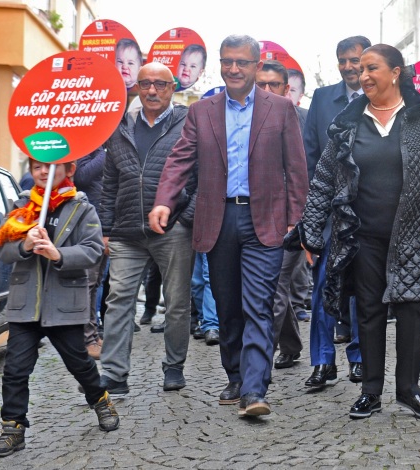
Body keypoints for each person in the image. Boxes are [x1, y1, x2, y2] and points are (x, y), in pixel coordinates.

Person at [291, 43, 420, 420]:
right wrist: (311, 233)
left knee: (412, 313)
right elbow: (323, 180)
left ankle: (409, 391)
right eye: (361, 69)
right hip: (361, 236)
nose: (363, 75)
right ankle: (370, 391)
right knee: (367, 312)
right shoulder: (347, 122)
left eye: (372, 68)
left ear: (396, 72)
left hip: (416, 236)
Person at [149, 35, 308, 417]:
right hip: (217, 220)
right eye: (227, 61)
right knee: (227, 306)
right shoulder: (202, 112)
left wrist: (298, 221)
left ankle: (255, 390)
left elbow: (296, 169)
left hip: (265, 221)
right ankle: (235, 375)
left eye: (241, 62)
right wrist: (163, 201)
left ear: (256, 66)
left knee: (259, 305)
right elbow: (179, 160)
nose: (233, 69)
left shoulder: (281, 109)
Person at [0, 159, 119, 458]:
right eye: (37, 167)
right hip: (26, 306)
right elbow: (2, 250)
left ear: (68, 170)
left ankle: (100, 399)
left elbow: (94, 249)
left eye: (51, 165)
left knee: (80, 365)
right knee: (15, 371)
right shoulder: (22, 208)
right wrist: (25, 245)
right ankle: (12, 428)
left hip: (64, 304)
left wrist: (58, 254)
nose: (44, 172)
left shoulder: (81, 206)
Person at [99, 62, 196, 394]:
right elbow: (109, 181)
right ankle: (114, 373)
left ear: (172, 88)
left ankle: (174, 366)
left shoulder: (189, 123)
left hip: (173, 229)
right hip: (126, 230)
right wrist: (106, 228)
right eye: (145, 84)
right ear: (136, 88)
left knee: (177, 301)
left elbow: (205, 177)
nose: (152, 90)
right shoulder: (120, 125)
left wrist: (185, 218)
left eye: (160, 84)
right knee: (118, 299)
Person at [302, 35, 371, 388]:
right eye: (342, 60)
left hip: (369, 210)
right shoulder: (322, 98)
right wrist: (312, 216)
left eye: (354, 60)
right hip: (330, 212)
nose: (348, 66)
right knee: (323, 286)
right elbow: (310, 157)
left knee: (362, 287)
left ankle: (359, 358)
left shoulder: (383, 99)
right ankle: (323, 361)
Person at [255, 59, 307, 369]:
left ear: (286, 89)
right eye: (260, 85)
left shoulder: (303, 118)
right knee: (277, 287)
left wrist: (301, 218)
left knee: (274, 287)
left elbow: (308, 169)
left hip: (293, 218)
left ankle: (257, 363)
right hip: (256, 216)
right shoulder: (245, 119)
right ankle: (291, 344)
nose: (265, 91)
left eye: (272, 85)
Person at [73, 146, 107, 359]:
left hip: (105, 223)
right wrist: (107, 151)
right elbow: (82, 176)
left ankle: (92, 334)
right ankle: (86, 339)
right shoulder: (89, 143)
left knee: (95, 283)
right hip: (88, 224)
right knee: (88, 282)